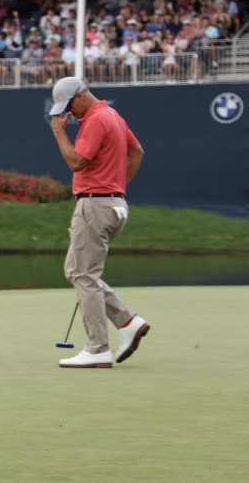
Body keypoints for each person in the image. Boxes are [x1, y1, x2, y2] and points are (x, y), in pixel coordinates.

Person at [48, 76, 149, 369]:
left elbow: (77, 161)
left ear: (81, 96)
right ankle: (128, 321)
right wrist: (116, 186)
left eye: (70, 106)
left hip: (95, 203)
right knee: (78, 271)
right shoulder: (113, 115)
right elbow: (137, 151)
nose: (70, 114)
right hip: (113, 203)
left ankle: (97, 348)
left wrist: (58, 134)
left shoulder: (94, 119)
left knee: (83, 275)